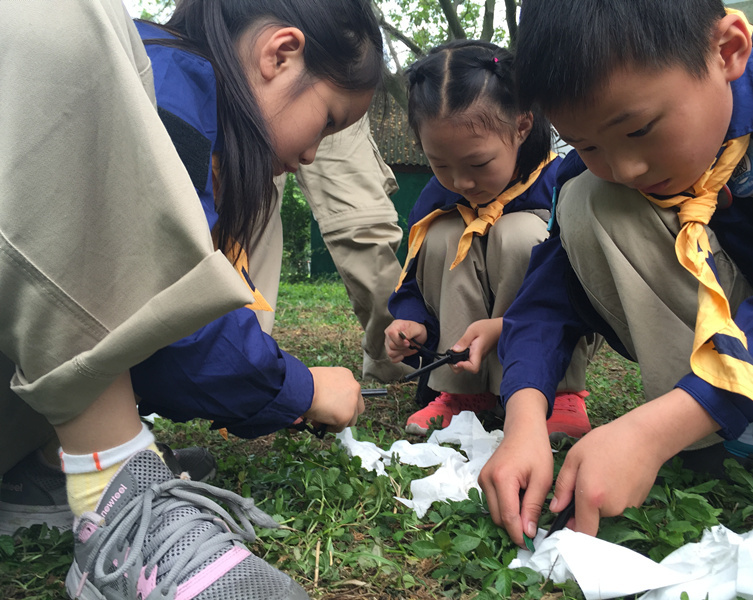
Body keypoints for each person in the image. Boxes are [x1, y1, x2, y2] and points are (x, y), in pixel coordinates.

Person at [0, 0, 383, 597]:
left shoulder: (191, 101)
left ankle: (52, 464)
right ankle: (109, 490)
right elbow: (164, 325)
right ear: (280, 55)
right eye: (329, 120)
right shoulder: (173, 91)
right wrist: (302, 389)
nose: (313, 154)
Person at [478, 0, 753, 548]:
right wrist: (525, 417)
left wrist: (651, 433)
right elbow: (548, 296)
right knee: (587, 198)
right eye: (586, 144)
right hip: (740, 351)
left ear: (728, 51)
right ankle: (720, 434)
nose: (624, 167)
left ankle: (696, 421)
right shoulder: (607, 166)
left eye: (641, 129)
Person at [384, 40, 594, 437]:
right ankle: (463, 393)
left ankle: (560, 391)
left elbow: (577, 289)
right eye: (439, 164)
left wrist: (509, 325)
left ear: (522, 125)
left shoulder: (559, 183)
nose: (461, 182)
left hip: (547, 325)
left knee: (522, 235)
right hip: (466, 350)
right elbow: (411, 281)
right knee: (445, 233)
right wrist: (412, 321)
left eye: (478, 163)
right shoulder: (436, 197)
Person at [266, 115, 412, 383]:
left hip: (336, 83)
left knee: (365, 226)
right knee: (245, 219)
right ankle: (232, 356)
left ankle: (396, 358)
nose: (306, 155)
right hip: (234, 85)